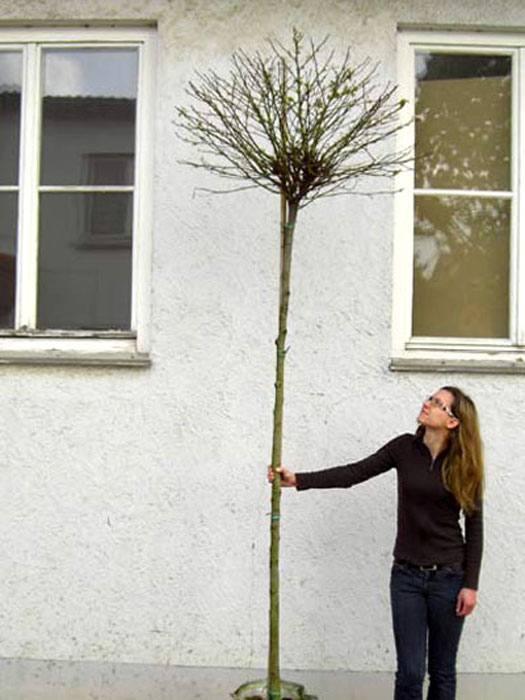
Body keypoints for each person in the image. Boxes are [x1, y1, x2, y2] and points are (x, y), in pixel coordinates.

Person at [269, 386, 483, 700]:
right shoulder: (403, 448)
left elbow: (475, 527)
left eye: (438, 403)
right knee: (410, 672)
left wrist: (470, 584)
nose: (427, 403)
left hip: (449, 578)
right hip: (407, 577)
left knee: (442, 672)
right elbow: (354, 473)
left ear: (452, 422)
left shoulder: (465, 464)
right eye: (430, 397)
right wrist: (299, 479)